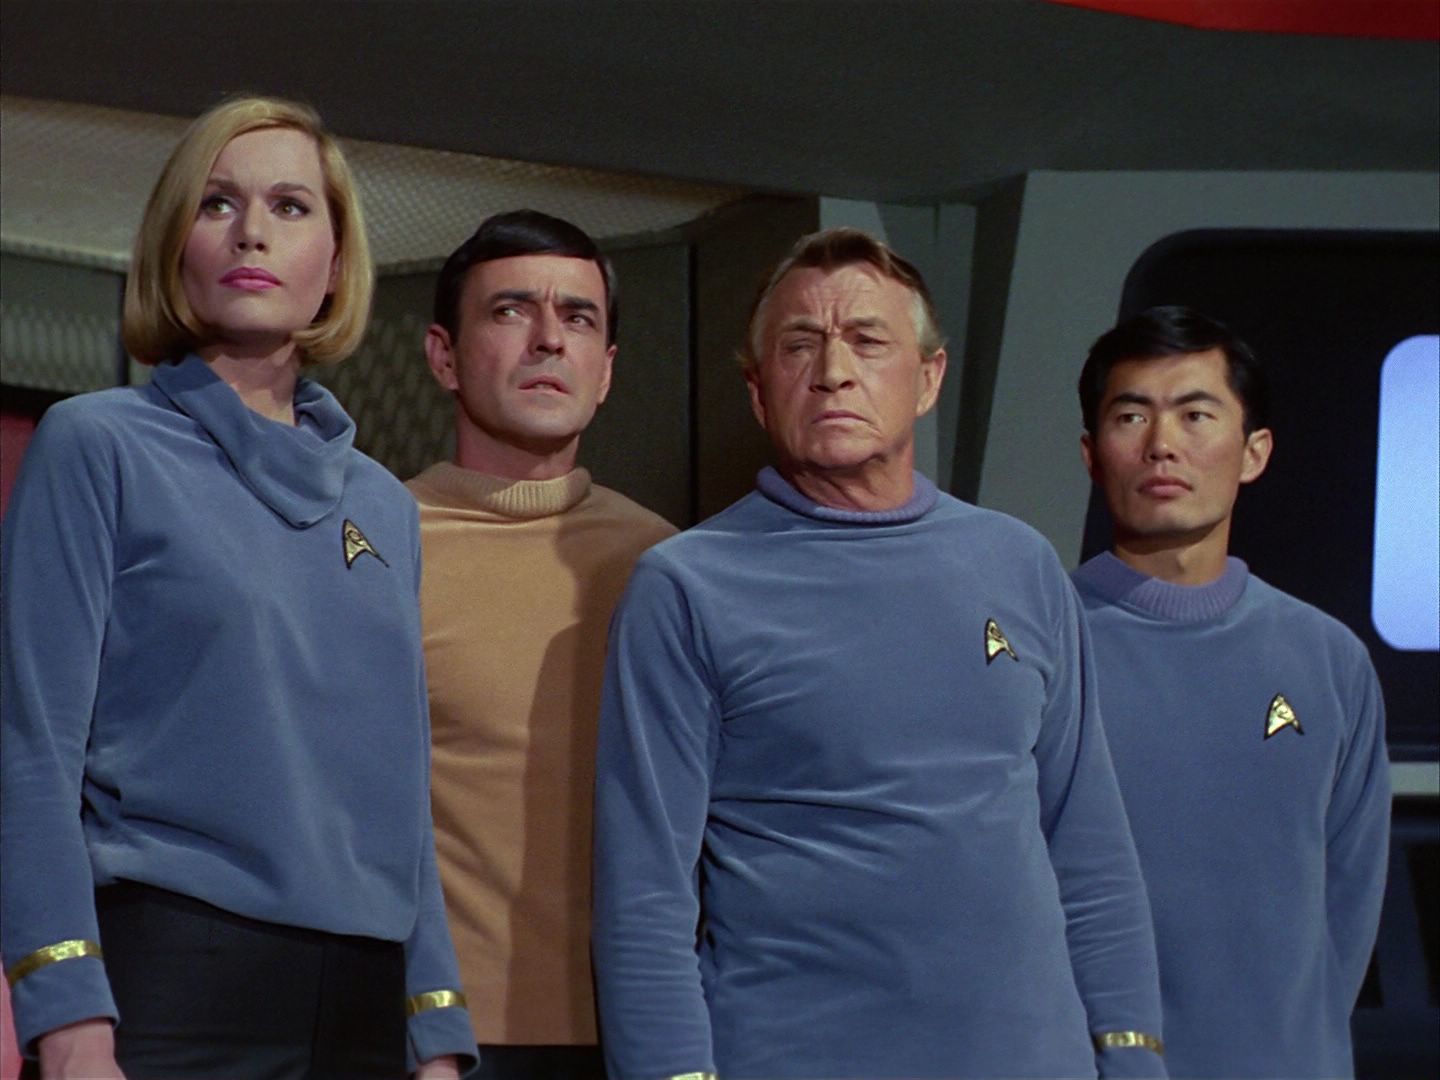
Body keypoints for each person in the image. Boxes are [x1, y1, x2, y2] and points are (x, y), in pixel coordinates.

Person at [592, 227, 1167, 1079]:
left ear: (928, 378)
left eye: (867, 340)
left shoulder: (1019, 564)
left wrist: (1132, 1054)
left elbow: (1088, 846)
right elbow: (643, 896)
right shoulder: (687, 587)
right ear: (757, 391)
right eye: (800, 345)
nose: (833, 371)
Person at [0, 96, 475, 1079]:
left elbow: (399, 794)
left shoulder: (384, 507)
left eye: (290, 206)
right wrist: (65, 1005)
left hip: (364, 1004)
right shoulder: (97, 445)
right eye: (218, 202)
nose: (251, 231)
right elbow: (30, 745)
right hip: (171, 984)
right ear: (174, 241)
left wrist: (436, 1027)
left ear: (336, 264)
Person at [1072, 305, 1390, 1079]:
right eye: (1131, 416)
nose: (1162, 444)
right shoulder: (1041, 647)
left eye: (1195, 414)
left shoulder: (1328, 660)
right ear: (1091, 455)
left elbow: (1347, 906)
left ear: (1254, 452)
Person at [407, 210, 675, 1078]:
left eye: (578, 317)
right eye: (511, 310)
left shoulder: (669, 565)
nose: (550, 339)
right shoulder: (374, 545)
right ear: (444, 356)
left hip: (639, 1035)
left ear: (607, 371)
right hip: (434, 1038)